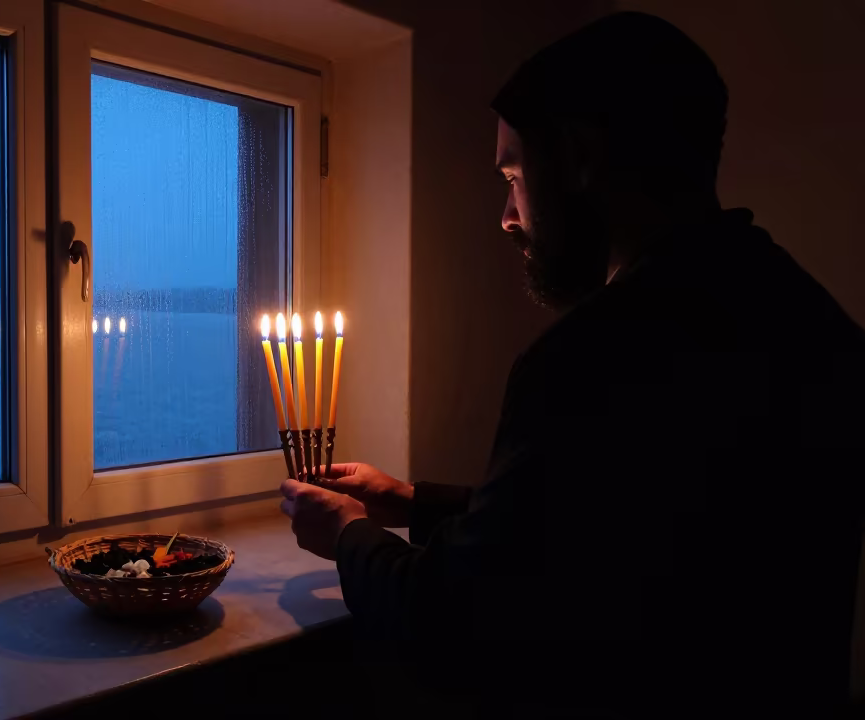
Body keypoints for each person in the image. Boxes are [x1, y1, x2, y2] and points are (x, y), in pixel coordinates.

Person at [280, 12, 865, 718]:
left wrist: (347, 536)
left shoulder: (591, 357)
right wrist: (411, 503)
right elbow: (606, 525)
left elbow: (452, 623)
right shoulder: (810, 319)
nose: (506, 215)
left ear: (582, 159)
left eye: (515, 175)